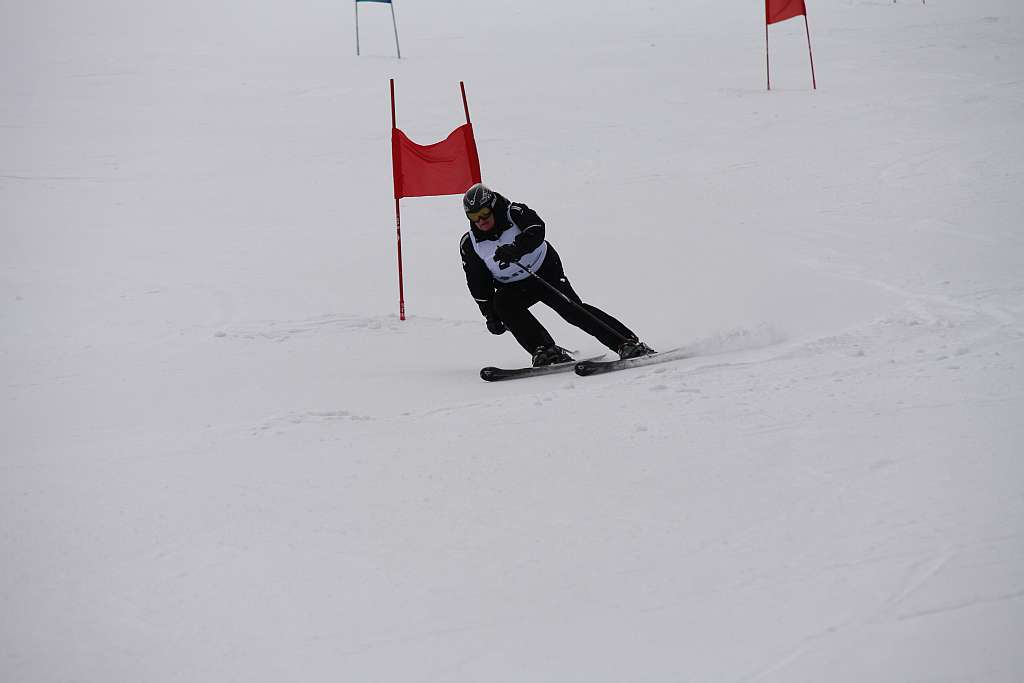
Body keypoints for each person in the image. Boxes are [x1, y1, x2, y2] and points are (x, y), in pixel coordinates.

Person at [459, 182, 654, 366]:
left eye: (484, 213)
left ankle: (626, 342)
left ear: (493, 207)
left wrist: (517, 248)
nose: (481, 220)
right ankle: (544, 350)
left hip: (544, 271)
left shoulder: (514, 212)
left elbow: (537, 228)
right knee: (503, 305)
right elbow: (477, 282)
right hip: (512, 285)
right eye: (473, 216)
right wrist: (490, 315)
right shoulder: (470, 244)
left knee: (572, 310)